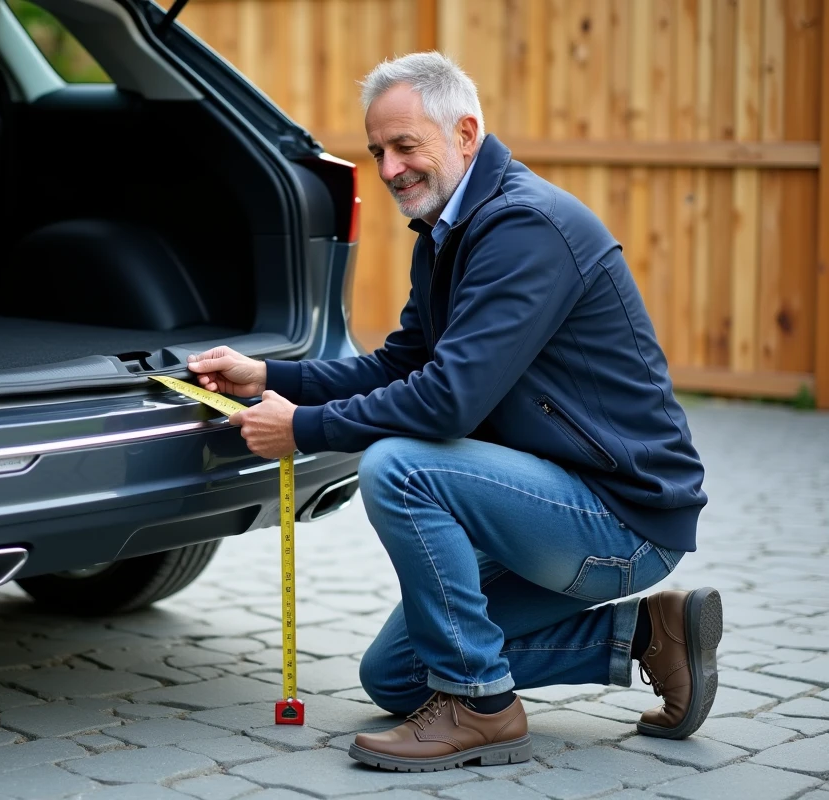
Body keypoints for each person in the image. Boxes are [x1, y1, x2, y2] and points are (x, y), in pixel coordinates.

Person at [186, 51, 718, 773]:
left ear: (466, 133)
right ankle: (647, 636)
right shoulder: (449, 230)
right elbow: (402, 364)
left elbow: (448, 401)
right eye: (377, 151)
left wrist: (300, 430)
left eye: (406, 146)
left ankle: (479, 706)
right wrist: (270, 376)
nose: (389, 168)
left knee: (402, 467)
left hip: (621, 519)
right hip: (548, 502)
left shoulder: (525, 229)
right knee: (396, 679)